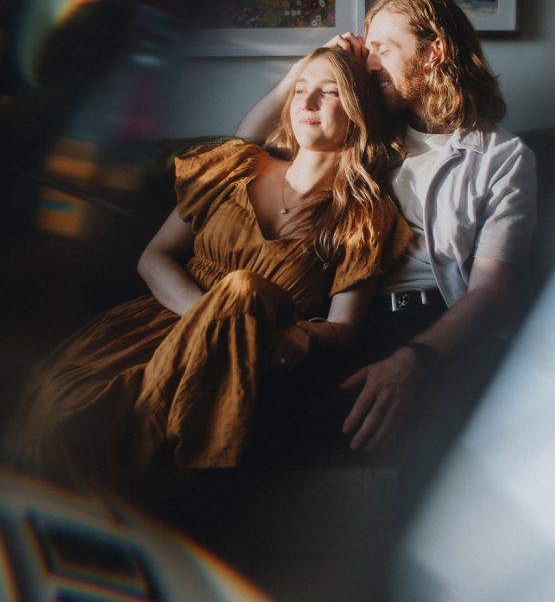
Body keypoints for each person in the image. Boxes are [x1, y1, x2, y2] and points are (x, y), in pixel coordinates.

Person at [8, 47, 410, 492]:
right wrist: (208, 316)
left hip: (246, 349)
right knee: (70, 410)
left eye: (328, 92)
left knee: (243, 291)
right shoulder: (236, 166)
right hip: (157, 324)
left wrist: (304, 333)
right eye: (300, 89)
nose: (307, 103)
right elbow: (153, 257)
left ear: (357, 110)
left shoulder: (364, 215)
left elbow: (344, 326)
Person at [236, 0, 537, 455]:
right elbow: (246, 146)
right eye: (368, 50)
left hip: (440, 323)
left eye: (383, 48)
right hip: (348, 317)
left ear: (434, 51)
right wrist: (312, 65)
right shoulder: (363, 133)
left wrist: (413, 359)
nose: (370, 62)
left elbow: (491, 290)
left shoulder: (503, 158)